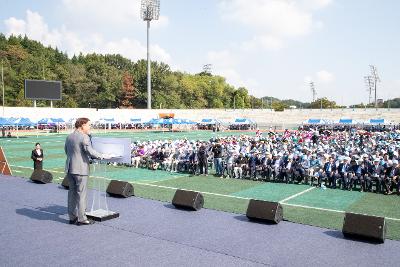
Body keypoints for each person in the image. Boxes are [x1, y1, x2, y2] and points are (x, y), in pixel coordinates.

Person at [64, 117, 109, 226]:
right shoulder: (84, 137)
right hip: (81, 169)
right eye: (89, 125)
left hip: (70, 168)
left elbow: (66, 151)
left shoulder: (69, 136)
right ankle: (82, 219)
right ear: (83, 125)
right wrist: (102, 156)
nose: (89, 127)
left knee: (72, 193)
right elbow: (90, 151)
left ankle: (72, 217)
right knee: (81, 194)